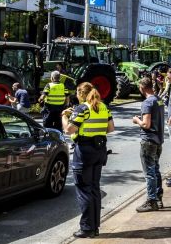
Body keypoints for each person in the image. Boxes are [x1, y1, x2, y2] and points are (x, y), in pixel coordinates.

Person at [63, 82, 114, 239]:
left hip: (84, 151)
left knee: (84, 189)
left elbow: (68, 130)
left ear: (80, 93)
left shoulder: (82, 108)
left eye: (77, 93)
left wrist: (64, 116)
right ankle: (95, 226)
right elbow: (110, 128)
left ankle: (86, 228)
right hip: (99, 150)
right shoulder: (104, 107)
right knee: (93, 188)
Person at [133, 77, 164, 212]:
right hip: (158, 140)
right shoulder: (159, 100)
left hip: (148, 140)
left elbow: (146, 124)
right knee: (155, 169)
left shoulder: (147, 103)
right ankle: (158, 197)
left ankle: (151, 200)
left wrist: (136, 120)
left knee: (149, 172)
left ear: (142, 88)